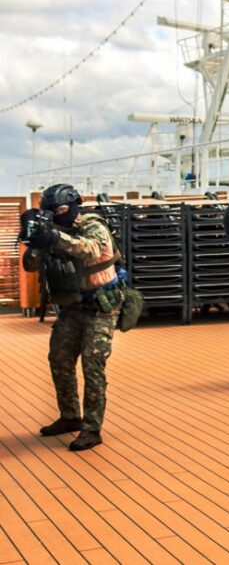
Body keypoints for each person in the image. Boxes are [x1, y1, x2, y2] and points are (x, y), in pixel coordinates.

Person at [23, 184, 124, 451]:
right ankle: (70, 417)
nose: (58, 214)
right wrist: (35, 241)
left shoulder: (93, 226)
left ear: (75, 205)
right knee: (59, 359)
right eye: (52, 211)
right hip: (71, 308)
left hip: (100, 306)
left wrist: (55, 237)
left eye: (63, 209)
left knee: (93, 365)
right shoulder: (52, 231)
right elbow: (30, 266)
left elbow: (90, 250)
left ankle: (92, 429)